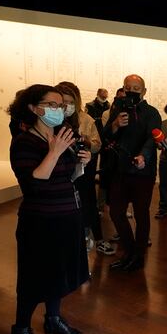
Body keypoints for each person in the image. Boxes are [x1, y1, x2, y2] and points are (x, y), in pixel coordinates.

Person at [8, 84, 91, 334]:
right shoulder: (24, 141)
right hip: (40, 221)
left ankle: (53, 319)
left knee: (60, 273)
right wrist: (55, 151)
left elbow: (69, 177)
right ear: (33, 108)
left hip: (68, 214)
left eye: (61, 105)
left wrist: (82, 162)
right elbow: (35, 180)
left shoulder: (61, 138)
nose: (59, 109)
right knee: (34, 277)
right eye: (52, 104)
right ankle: (21, 329)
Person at [103, 75, 161, 272]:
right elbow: (106, 136)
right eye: (128, 87)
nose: (131, 91)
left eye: (136, 88)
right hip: (120, 170)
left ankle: (139, 256)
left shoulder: (152, 113)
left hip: (143, 171)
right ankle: (129, 251)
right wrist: (116, 124)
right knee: (116, 212)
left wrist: (143, 156)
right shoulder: (118, 110)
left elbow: (152, 139)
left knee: (141, 214)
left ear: (144, 91)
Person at [54, 82, 111, 254]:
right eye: (62, 102)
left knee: (88, 204)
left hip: (83, 168)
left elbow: (97, 145)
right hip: (59, 171)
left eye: (70, 102)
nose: (66, 106)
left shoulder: (86, 119)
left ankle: (96, 239)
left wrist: (83, 140)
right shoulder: (51, 120)